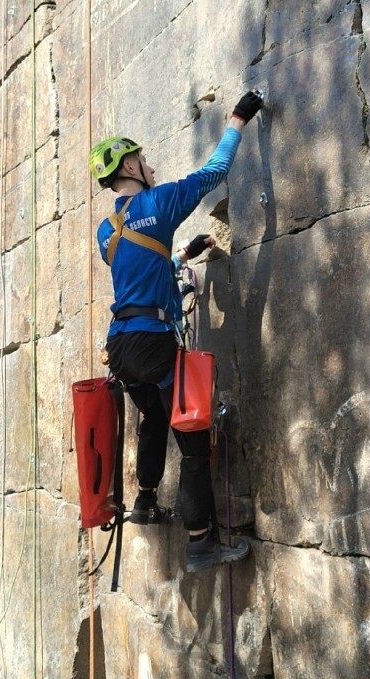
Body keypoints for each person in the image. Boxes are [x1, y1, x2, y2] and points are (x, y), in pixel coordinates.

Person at [89, 90, 263, 573]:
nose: (150, 165)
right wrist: (238, 119)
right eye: (144, 160)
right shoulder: (159, 201)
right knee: (193, 440)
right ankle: (201, 543)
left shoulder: (106, 231)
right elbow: (215, 172)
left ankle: (145, 500)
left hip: (121, 348)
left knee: (152, 416)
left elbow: (146, 271)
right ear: (129, 166)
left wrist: (184, 254)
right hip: (153, 343)